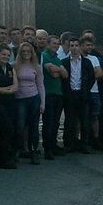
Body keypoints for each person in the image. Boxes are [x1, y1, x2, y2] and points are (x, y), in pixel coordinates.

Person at [60, 36, 98, 153]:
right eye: (72, 46)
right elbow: (62, 79)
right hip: (70, 94)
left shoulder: (87, 62)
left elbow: (92, 78)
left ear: (79, 47)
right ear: (69, 47)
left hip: (83, 94)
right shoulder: (64, 62)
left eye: (76, 45)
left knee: (84, 120)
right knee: (69, 121)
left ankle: (84, 144)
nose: (74, 48)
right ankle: (69, 144)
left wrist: (85, 89)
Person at [14, 41, 46, 164]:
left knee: (34, 126)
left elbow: (41, 85)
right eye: (23, 51)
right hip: (19, 99)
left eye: (28, 51)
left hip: (33, 98)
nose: (26, 53)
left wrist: (43, 103)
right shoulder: (15, 66)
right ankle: (18, 150)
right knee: (20, 126)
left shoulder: (36, 66)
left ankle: (34, 151)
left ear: (32, 53)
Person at [39, 30, 66, 159]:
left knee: (56, 122)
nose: (56, 46)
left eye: (57, 44)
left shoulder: (57, 58)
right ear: (48, 44)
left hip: (58, 93)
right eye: (54, 43)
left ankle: (53, 145)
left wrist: (58, 70)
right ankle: (48, 148)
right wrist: (59, 70)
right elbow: (53, 74)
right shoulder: (44, 56)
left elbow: (65, 75)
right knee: (48, 122)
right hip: (48, 93)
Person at [82, 36, 103, 151]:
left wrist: (87, 80)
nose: (90, 47)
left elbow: (100, 73)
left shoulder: (94, 58)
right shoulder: (77, 58)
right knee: (83, 117)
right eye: (87, 45)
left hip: (94, 91)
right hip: (81, 92)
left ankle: (96, 138)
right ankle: (84, 139)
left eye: (91, 45)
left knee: (95, 116)